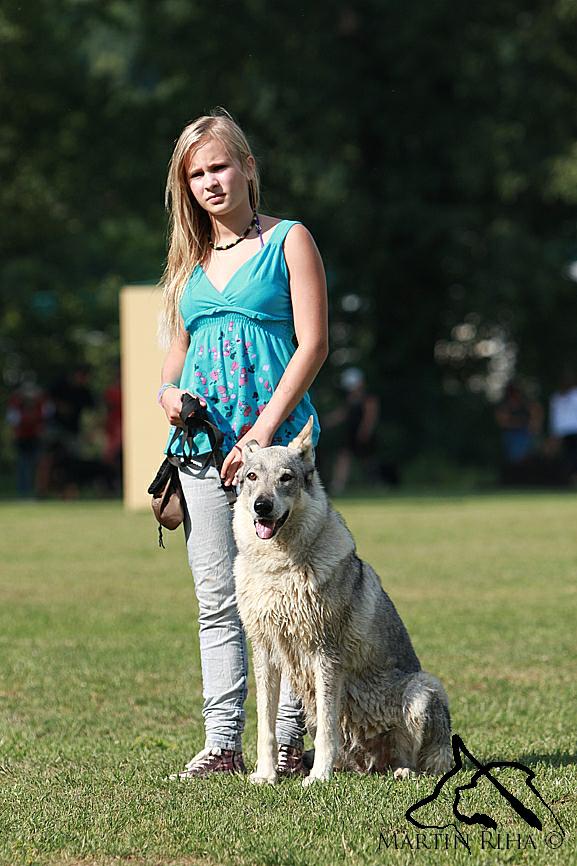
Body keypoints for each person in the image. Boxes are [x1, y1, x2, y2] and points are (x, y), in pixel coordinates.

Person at [157, 110, 328, 778]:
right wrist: (167, 396)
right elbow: (173, 363)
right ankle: (223, 742)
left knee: (292, 597)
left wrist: (259, 436)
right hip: (200, 452)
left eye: (219, 166)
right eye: (196, 174)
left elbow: (312, 345)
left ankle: (287, 741)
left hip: (277, 459)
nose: (209, 182)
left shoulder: (289, 241)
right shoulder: (186, 263)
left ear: (248, 166)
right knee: (217, 598)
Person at [325, 367, 380, 495]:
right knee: (343, 456)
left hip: (362, 434)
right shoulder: (350, 399)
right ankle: (338, 484)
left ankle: (376, 482)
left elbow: (370, 416)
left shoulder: (368, 398)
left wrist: (365, 431)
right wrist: (328, 421)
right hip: (350, 433)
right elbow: (343, 413)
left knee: (368, 460)